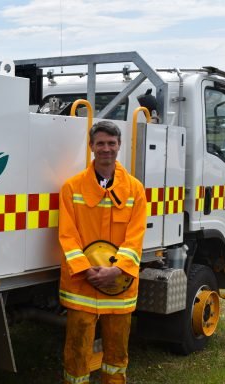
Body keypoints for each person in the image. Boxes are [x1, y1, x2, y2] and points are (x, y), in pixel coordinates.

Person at [58, 120, 147, 384]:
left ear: (119, 146)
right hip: (82, 284)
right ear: (91, 147)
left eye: (111, 143)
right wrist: (87, 271)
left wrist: (116, 270)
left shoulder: (135, 189)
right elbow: (67, 235)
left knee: (117, 353)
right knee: (76, 350)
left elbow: (136, 237)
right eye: (101, 143)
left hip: (119, 282)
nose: (106, 148)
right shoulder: (72, 188)